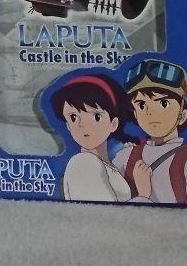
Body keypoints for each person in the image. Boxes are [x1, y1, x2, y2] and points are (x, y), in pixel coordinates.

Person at [112, 58, 187, 206]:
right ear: (135, 114)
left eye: (163, 103)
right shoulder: (124, 157)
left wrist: (143, 196)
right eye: (142, 105)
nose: (151, 112)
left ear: (182, 115)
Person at [49, 73, 134, 202]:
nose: (83, 125)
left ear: (113, 124)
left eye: (96, 117)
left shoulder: (108, 166)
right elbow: (105, 211)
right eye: (73, 117)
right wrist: (144, 194)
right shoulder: (83, 162)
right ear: (68, 126)